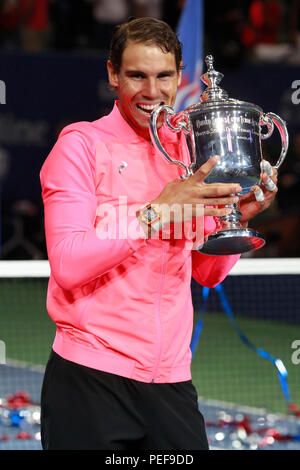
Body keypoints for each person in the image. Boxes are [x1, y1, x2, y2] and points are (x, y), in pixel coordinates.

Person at [39, 17, 278, 450]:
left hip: (171, 380)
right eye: (136, 75)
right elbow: (69, 265)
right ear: (113, 75)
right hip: (91, 380)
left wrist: (235, 218)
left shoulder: (186, 150)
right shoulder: (80, 146)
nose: (151, 91)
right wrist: (158, 212)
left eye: (164, 75)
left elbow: (208, 273)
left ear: (179, 77)